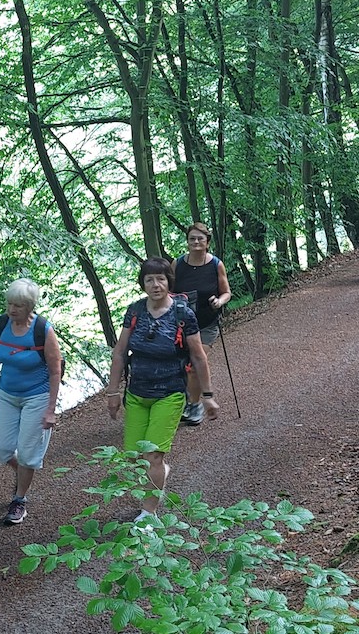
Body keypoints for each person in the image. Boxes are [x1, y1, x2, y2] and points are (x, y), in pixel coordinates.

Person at [104, 258, 219, 527]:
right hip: (137, 393)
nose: (156, 285)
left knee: (153, 455)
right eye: (149, 280)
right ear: (142, 284)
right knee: (133, 458)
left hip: (169, 393)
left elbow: (199, 357)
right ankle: (160, 475)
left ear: (169, 282)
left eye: (161, 279)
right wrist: (112, 392)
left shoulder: (182, 314)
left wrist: (207, 396)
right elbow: (120, 353)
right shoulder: (134, 312)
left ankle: (148, 514)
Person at [0, 278, 62, 525]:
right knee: (2, 447)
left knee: (28, 454)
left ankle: (19, 500)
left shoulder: (43, 330)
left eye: (17, 306)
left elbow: (55, 370)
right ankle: (23, 473)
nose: (11, 310)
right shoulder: (2, 324)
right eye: (9, 304)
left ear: (30, 307)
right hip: (6, 394)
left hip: (37, 396)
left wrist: (50, 409)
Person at [172, 223, 231, 423]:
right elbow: (168, 292)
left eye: (200, 239)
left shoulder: (216, 264)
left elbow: (226, 292)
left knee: (195, 364)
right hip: (181, 325)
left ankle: (195, 406)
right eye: (192, 239)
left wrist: (219, 301)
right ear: (187, 242)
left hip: (206, 323)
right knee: (182, 365)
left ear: (207, 242)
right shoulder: (177, 264)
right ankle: (186, 400)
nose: (196, 242)